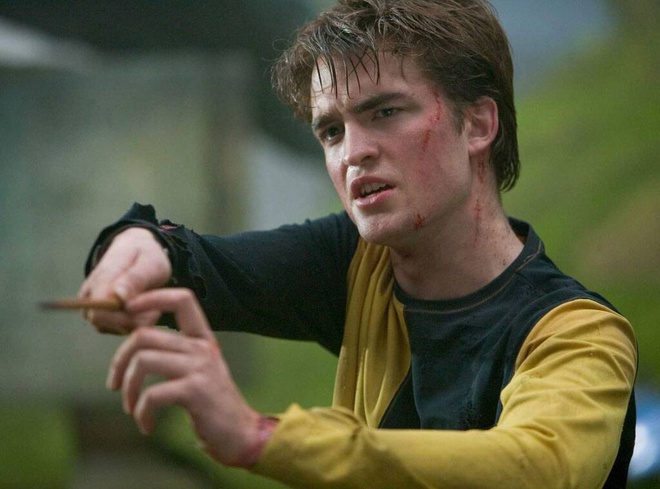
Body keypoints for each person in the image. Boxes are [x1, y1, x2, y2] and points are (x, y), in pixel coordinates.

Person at [78, 0, 637, 487]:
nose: (352, 153)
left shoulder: (579, 334)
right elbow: (199, 263)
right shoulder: (357, 259)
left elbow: (536, 468)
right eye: (331, 131)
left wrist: (260, 436)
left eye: (385, 112)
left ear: (477, 125)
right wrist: (137, 246)